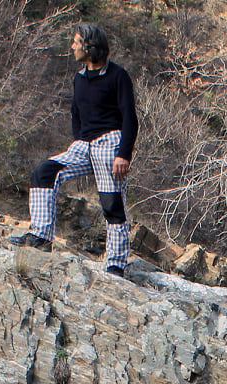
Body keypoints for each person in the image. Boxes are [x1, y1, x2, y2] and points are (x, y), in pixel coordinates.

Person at [11, 23, 137, 277]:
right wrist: (79, 140)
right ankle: (40, 236)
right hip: (82, 146)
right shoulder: (79, 78)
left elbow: (129, 118)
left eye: (76, 42)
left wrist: (123, 153)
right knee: (44, 173)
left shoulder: (117, 76)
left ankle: (115, 264)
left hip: (110, 143)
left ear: (90, 47)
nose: (72, 46)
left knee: (112, 204)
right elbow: (75, 114)